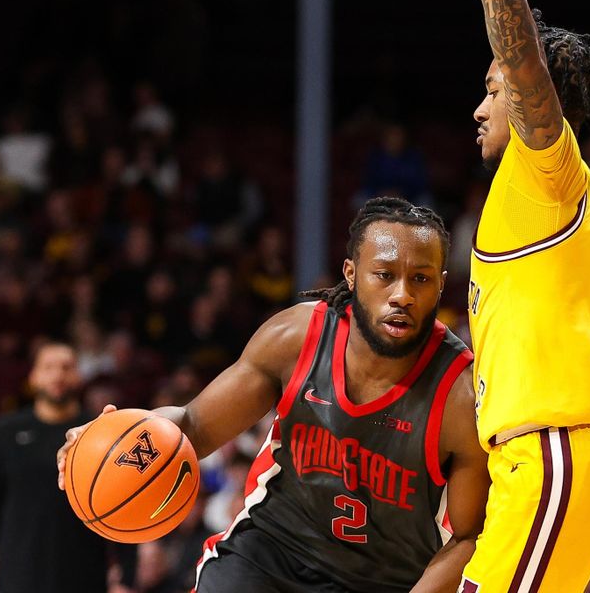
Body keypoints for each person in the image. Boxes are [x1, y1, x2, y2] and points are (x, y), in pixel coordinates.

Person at [58, 198, 490, 593]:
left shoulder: (459, 394)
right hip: (269, 554)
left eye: (421, 279)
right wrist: (116, 436)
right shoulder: (296, 337)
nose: (402, 295)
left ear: (441, 284)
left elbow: (470, 537)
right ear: (351, 274)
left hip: (386, 580)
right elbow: (194, 425)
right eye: (384, 275)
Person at [461, 0, 590, 590]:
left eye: (494, 90)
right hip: (549, 458)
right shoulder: (549, 202)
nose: (480, 110)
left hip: (550, 455)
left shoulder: (547, 173)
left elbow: (526, 66)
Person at [0, 343, 135, 593]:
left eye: (66, 367)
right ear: (33, 376)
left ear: (79, 376)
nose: (58, 375)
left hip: (84, 575)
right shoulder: (4, 431)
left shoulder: (98, 431)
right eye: (48, 367)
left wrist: (127, 579)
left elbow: (123, 503)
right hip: (18, 576)